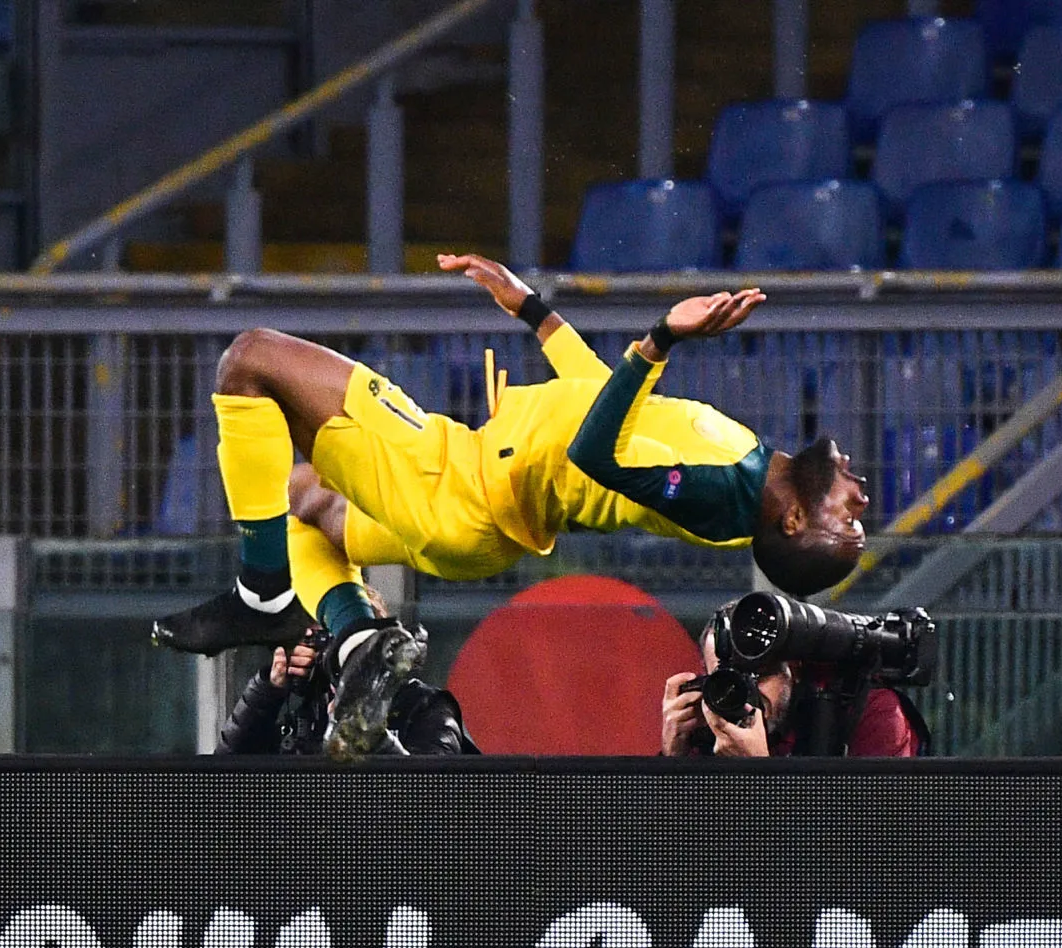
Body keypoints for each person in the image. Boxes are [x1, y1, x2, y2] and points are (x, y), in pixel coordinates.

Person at [148, 253, 870, 750]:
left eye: (849, 518)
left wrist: (659, 339)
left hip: (459, 483)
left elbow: (595, 451)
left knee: (250, 359)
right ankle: (357, 636)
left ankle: (263, 593)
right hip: (472, 512)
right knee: (301, 505)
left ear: (795, 520)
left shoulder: (725, 497)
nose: (860, 494)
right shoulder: (744, 461)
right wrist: (531, 309)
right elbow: (599, 401)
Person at [660, 605, 921, 758]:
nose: (745, 692)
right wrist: (672, 762)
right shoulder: (705, 724)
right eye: (727, 677)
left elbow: (874, 843)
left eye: (759, 674)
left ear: (793, 669)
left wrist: (759, 775)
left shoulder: (867, 710)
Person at [216, 630, 477, 757]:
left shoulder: (426, 707)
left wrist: (373, 738)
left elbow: (436, 797)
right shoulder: (308, 711)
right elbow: (223, 772)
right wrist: (267, 689)